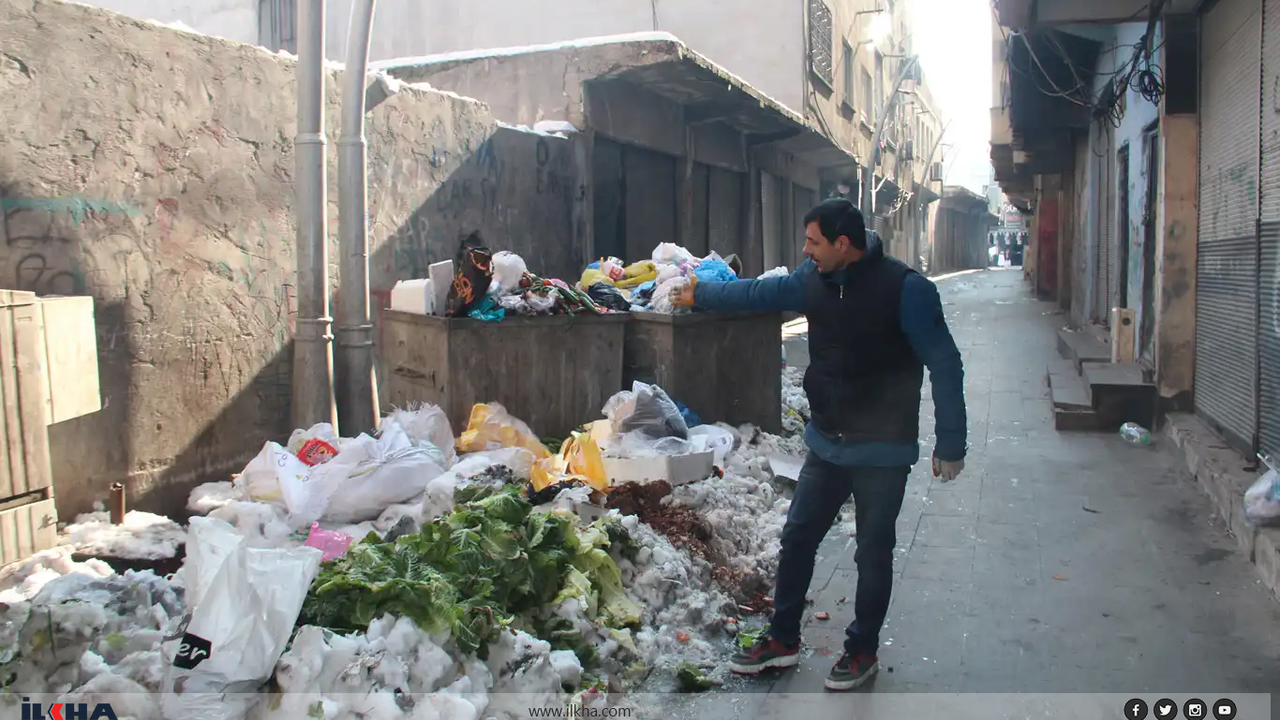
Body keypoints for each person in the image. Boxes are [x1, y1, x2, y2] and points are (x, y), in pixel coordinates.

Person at [670, 198, 967, 691]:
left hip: (882, 450)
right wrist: (700, 292)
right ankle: (782, 639)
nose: (805, 251)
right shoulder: (814, 280)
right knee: (798, 538)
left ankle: (862, 650)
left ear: (842, 244)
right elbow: (756, 293)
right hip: (828, 443)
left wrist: (951, 442)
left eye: (813, 242)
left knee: (873, 553)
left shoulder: (906, 289)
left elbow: (945, 362)